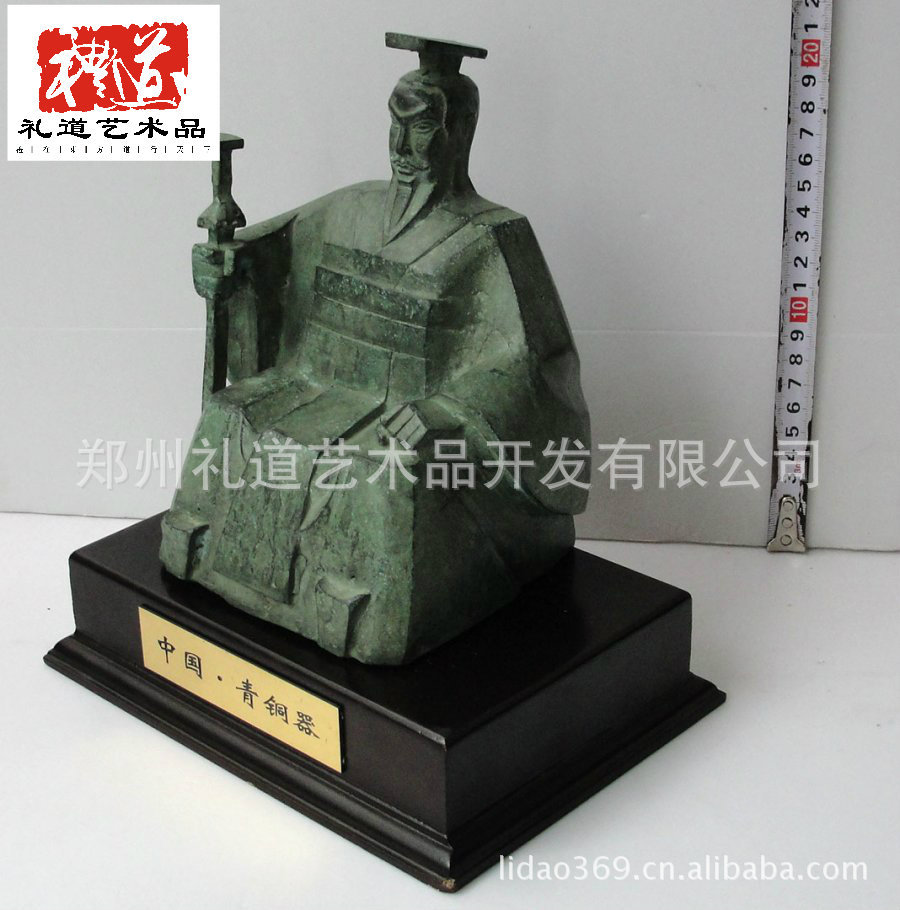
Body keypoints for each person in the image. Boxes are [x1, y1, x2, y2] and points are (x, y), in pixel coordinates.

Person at [160, 33, 591, 664]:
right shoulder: (353, 207)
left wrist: (445, 410)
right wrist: (227, 265)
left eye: (422, 129)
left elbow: (532, 363)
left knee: (384, 469)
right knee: (229, 414)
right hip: (315, 383)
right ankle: (203, 549)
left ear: (460, 134)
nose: (402, 146)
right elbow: (266, 252)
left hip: (416, 413)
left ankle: (351, 609)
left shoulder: (495, 236)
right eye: (396, 124)